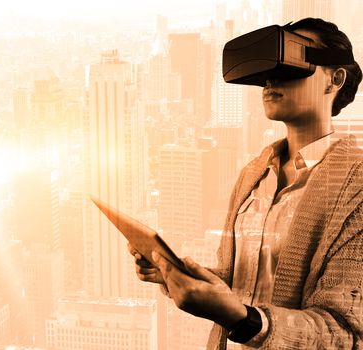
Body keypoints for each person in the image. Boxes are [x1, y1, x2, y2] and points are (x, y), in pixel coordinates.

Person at [129, 18, 363, 349]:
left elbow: (345, 335)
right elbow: (240, 284)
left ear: (334, 79)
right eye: (268, 67)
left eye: (291, 63)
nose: (270, 78)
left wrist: (245, 321)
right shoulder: (254, 174)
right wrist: (176, 275)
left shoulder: (357, 188)